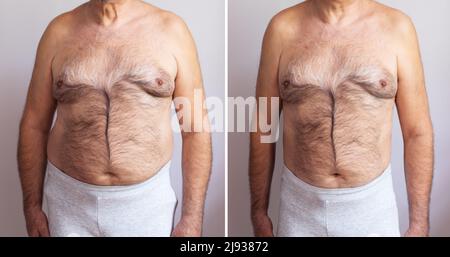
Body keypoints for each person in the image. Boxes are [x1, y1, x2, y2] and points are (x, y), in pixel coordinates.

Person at [17, 0, 212, 237]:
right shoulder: (58, 32)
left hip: (145, 207)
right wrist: (32, 207)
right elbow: (34, 124)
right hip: (69, 206)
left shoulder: (172, 30)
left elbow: (195, 129)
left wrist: (192, 217)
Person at [249, 0, 433, 237]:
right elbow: (263, 126)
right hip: (299, 211)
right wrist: (258, 213)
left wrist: (419, 223)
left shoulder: (397, 29)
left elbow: (417, 131)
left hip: (372, 211)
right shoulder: (282, 29)